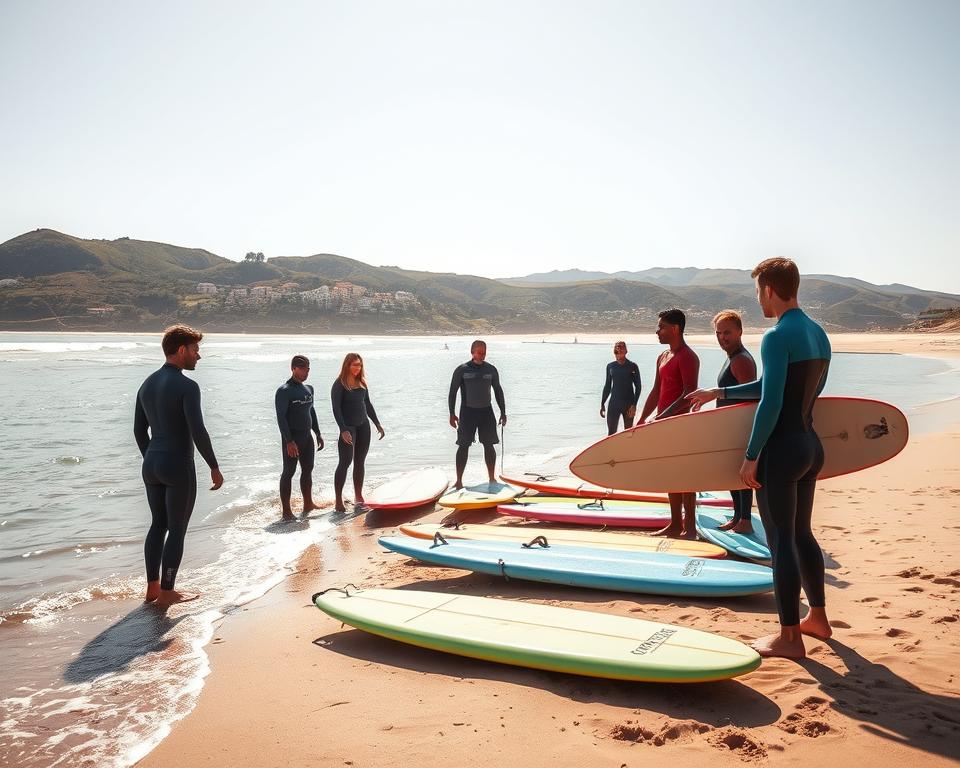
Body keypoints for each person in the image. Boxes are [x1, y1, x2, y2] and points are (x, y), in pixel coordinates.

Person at [687, 258, 832, 659]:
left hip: (781, 451)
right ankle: (817, 618)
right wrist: (720, 393)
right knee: (801, 534)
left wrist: (751, 455)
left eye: (757, 292)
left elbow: (770, 402)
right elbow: (785, 387)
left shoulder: (776, 335)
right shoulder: (818, 333)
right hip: (809, 446)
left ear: (769, 289)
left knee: (780, 541)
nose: (758, 300)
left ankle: (789, 638)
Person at [134, 324, 223, 606]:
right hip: (178, 465)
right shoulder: (187, 386)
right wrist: (214, 466)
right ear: (182, 350)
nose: (199, 356)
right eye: (196, 350)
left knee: (157, 525)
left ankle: (152, 588)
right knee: (177, 528)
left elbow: (139, 431)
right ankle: (169, 592)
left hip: (151, 464)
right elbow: (198, 430)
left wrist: (153, 457)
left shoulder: (146, 384)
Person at [639, 309, 700, 539]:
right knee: (670, 474)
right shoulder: (663, 356)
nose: (657, 331)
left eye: (661, 326)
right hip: (664, 424)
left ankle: (690, 528)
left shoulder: (688, 356)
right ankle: (675, 524)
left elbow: (689, 392)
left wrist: (663, 416)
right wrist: (643, 417)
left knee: (685, 476)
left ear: (675, 328)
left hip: (681, 426)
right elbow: (656, 390)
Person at [711, 310, 758, 533]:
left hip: (740, 428)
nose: (722, 337)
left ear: (740, 331)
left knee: (740, 475)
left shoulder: (741, 360)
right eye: (719, 333)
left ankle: (746, 520)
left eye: (727, 332)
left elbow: (752, 396)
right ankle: (738, 516)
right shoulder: (732, 357)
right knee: (732, 473)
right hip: (729, 428)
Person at [448, 340, 507, 489]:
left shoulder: (491, 370)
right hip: (467, 413)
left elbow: (498, 391)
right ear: (472, 352)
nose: (482, 355)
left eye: (484, 352)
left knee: (489, 445)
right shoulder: (462, 370)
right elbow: (453, 392)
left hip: (486, 412)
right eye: (479, 352)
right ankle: (459, 481)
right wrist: (451, 413)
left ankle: (492, 478)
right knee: (463, 446)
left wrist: (503, 412)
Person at [331, 353, 384, 514]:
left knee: (360, 461)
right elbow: (336, 409)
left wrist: (377, 423)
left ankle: (358, 496)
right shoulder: (339, 384)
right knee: (345, 462)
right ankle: (338, 499)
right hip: (349, 427)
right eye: (354, 364)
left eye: (359, 365)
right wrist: (343, 430)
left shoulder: (362, 382)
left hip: (363, 426)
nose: (357, 368)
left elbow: (367, 404)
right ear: (347, 365)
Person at [275, 355, 324, 521]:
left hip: (307, 437)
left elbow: (311, 411)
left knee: (308, 469)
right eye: (303, 369)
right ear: (293, 368)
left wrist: (317, 433)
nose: (306, 372)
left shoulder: (309, 389)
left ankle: (308, 503)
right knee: (288, 472)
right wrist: (289, 441)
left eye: (308, 369)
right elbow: (281, 418)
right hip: (292, 438)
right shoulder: (284, 391)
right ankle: (286, 512)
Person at [600, 340, 642, 435]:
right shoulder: (610, 366)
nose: (619, 348)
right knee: (611, 433)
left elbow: (638, 387)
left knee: (628, 433)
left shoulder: (632, 366)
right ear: (614, 350)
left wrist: (634, 405)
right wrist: (602, 403)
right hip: (614, 404)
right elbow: (607, 386)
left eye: (622, 347)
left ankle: (629, 450)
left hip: (629, 404)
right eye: (617, 346)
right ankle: (612, 450)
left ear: (626, 351)